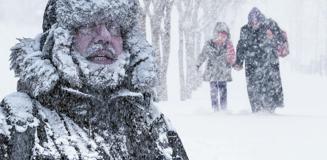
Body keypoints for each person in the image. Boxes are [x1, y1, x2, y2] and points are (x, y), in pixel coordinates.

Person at [0, 0, 189, 159]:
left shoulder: (150, 120)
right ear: (58, 39)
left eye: (114, 27)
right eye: (88, 25)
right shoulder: (16, 122)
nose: (105, 36)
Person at [234, 7, 289, 113]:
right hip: (251, 65)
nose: (254, 24)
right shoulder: (245, 29)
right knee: (253, 90)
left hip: (269, 63)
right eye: (252, 22)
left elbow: (282, 40)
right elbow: (241, 46)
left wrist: (273, 37)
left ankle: (270, 111)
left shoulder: (270, 25)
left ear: (260, 19)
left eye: (256, 21)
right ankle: (257, 111)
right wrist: (238, 62)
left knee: (270, 89)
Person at [196, 22, 236, 112]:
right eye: (220, 35)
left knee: (223, 91)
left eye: (224, 35)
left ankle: (224, 110)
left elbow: (232, 57)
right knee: (213, 92)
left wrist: (235, 63)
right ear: (216, 34)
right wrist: (198, 64)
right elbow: (203, 55)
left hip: (223, 72)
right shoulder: (209, 44)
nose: (222, 37)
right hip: (212, 72)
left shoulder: (228, 45)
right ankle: (215, 110)